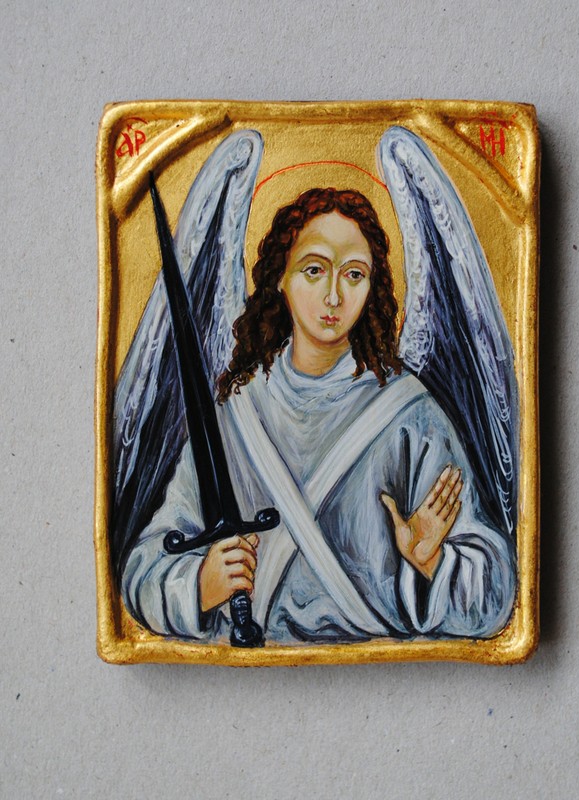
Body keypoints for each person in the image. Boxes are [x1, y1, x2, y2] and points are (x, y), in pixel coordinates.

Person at [121, 188, 515, 643]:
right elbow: (142, 572)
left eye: (354, 274)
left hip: (381, 671)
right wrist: (198, 586)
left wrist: (435, 563)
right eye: (314, 270)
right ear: (280, 278)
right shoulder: (234, 418)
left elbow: (495, 596)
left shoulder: (409, 415)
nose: (334, 296)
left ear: (372, 287)